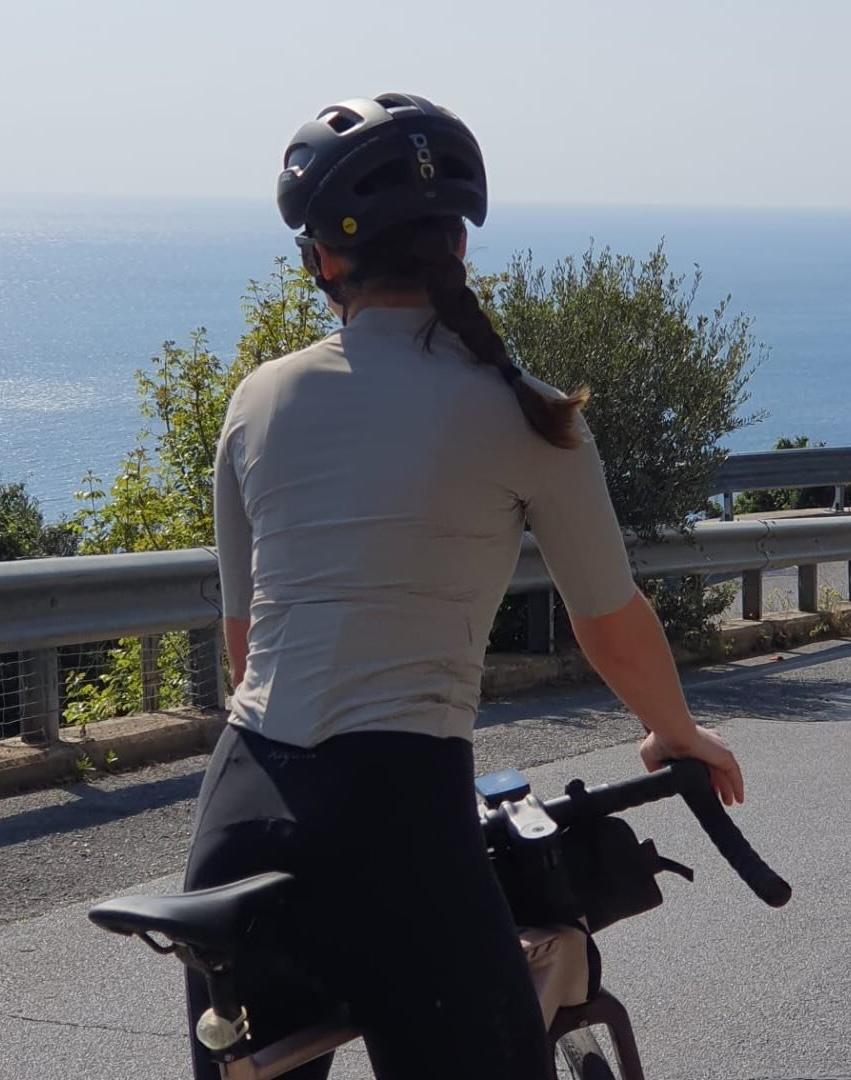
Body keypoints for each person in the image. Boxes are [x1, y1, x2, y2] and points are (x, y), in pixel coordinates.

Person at [184, 92, 744, 1080]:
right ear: (458, 245)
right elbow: (609, 621)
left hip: (242, 807)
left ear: (323, 261)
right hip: (397, 818)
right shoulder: (527, 414)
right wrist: (676, 732)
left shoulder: (257, 401)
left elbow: (244, 644)